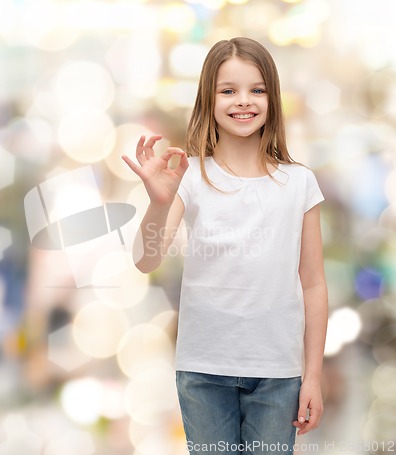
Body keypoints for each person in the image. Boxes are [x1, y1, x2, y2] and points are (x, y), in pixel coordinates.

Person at [122, 37, 328, 454]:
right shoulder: (190, 176)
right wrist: (158, 204)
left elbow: (313, 284)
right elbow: (146, 260)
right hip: (203, 369)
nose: (243, 101)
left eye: (257, 89)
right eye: (228, 90)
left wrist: (313, 376)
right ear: (208, 99)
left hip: (278, 373)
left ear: (272, 97)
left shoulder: (299, 183)